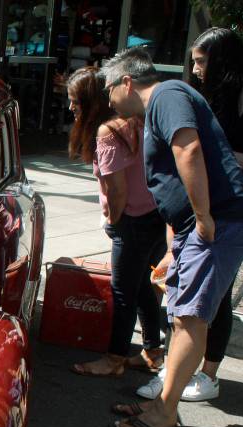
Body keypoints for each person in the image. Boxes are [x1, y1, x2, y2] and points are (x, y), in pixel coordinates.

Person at [101, 48, 243, 427]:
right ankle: (162, 403)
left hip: (217, 222)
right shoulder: (161, 104)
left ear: (126, 82)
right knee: (182, 315)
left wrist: (204, 218)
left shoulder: (167, 94)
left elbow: (187, 149)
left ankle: (164, 411)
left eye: (108, 91)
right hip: (199, 225)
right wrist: (177, 244)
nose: (108, 101)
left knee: (190, 318)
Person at [137, 27, 243, 402]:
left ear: (223, 60)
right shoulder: (206, 96)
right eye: (193, 60)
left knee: (213, 298)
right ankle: (176, 372)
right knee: (186, 294)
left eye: (202, 61)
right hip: (200, 203)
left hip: (235, 207)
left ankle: (207, 374)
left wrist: (220, 156)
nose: (195, 68)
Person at [65, 66, 167, 377]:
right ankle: (152, 351)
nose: (71, 108)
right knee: (141, 288)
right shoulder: (134, 122)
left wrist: (112, 219)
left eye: (75, 102)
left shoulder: (107, 131)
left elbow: (117, 190)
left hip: (132, 220)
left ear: (93, 101)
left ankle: (114, 359)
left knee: (124, 291)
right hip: (154, 216)